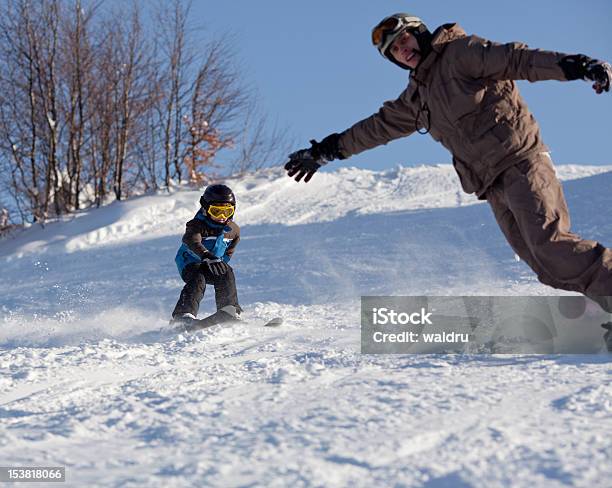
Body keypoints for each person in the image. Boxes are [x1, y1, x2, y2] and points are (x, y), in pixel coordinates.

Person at [284, 13, 612, 313]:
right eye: (394, 50)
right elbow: (376, 128)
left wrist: (578, 66)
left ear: (420, 34)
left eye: (404, 40)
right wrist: (327, 150)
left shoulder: (462, 53)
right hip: (492, 184)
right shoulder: (417, 97)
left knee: (551, 246)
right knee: (544, 266)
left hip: (521, 163)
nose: (403, 50)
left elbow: (518, 59)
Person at [171, 184, 242, 324]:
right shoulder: (196, 225)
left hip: (212, 263)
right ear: (205, 208)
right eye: (216, 211)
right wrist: (206, 255)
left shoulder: (233, 230)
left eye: (227, 212)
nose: (222, 217)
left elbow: (229, 250)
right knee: (199, 278)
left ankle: (229, 310)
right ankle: (182, 315)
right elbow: (192, 241)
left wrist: (220, 262)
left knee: (226, 272)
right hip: (190, 263)